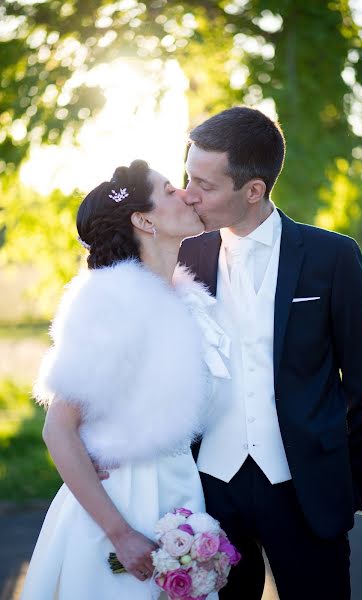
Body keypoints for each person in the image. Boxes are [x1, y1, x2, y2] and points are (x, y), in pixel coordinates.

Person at [178, 106, 362, 600]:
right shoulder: (185, 257)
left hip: (305, 490)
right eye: (189, 178)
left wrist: (347, 485)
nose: (189, 195)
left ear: (253, 190)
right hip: (210, 489)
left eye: (204, 185)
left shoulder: (332, 257)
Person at [21, 159, 227, 600]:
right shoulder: (110, 301)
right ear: (143, 219)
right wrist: (120, 534)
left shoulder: (185, 300)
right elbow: (58, 427)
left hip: (180, 498)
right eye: (170, 189)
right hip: (120, 507)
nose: (186, 194)